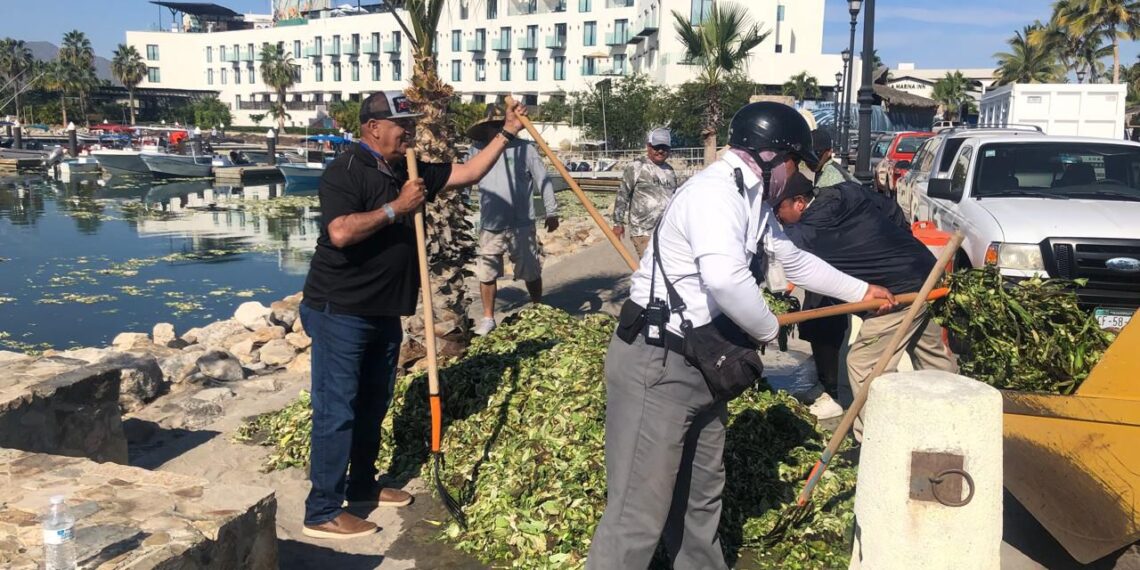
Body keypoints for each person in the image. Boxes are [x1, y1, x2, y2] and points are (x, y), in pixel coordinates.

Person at [587, 102, 896, 569]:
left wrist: (862, 290)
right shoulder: (716, 193)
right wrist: (768, 329)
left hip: (704, 361)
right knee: (638, 513)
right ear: (770, 156)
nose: (794, 177)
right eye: (793, 164)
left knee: (700, 501)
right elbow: (727, 279)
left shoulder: (751, 198)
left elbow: (792, 260)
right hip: (658, 362)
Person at [299, 91, 529, 540]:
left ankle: (362, 485)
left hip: (384, 310)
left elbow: (468, 172)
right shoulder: (346, 170)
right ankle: (322, 509)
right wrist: (396, 209)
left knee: (373, 404)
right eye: (401, 122)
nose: (409, 130)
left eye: (410, 121)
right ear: (373, 128)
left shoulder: (406, 167)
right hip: (340, 310)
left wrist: (505, 132)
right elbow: (341, 232)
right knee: (336, 409)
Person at [773, 171, 959, 441]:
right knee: (932, 356)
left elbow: (781, 257)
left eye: (779, 208)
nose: (777, 217)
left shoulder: (807, 230)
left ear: (799, 202)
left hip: (896, 295)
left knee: (863, 363)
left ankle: (876, 440)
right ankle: (953, 420)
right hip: (924, 272)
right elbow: (893, 211)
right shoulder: (846, 191)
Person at [466, 106, 559, 336]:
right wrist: (460, 206)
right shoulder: (476, 150)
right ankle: (488, 318)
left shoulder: (525, 149)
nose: (499, 129)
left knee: (530, 270)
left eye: (502, 124)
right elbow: (465, 179)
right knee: (487, 272)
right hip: (490, 224)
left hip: (521, 222)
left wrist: (551, 211)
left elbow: (543, 180)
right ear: (486, 128)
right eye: (494, 126)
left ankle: (538, 306)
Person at [612, 128, 680, 258]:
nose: (660, 151)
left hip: (665, 231)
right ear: (648, 146)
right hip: (642, 231)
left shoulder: (670, 171)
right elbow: (622, 194)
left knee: (662, 271)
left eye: (664, 147)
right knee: (650, 269)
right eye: (656, 147)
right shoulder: (637, 167)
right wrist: (617, 223)